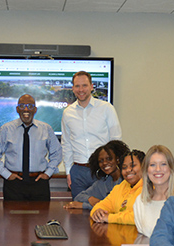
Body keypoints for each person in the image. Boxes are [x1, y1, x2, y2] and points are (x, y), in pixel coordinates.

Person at [0, 94, 62, 201]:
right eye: (22, 106)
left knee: (41, 217)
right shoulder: (6, 129)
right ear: (17, 109)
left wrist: (48, 173)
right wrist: (6, 174)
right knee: (12, 217)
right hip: (13, 184)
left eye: (30, 106)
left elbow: (57, 153)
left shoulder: (46, 129)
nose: (26, 109)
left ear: (35, 110)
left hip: (39, 183)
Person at [61, 71, 122, 199]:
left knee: (104, 211)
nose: (81, 89)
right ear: (72, 88)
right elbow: (66, 144)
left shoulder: (106, 108)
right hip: (78, 172)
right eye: (77, 86)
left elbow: (116, 140)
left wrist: (115, 170)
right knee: (78, 210)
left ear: (91, 86)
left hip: (102, 170)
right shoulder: (67, 113)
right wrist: (68, 172)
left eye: (84, 85)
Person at [133, 145, 174, 237]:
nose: (158, 169)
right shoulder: (140, 202)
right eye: (152, 165)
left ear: (171, 168)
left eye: (163, 164)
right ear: (146, 170)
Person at [64, 140, 128, 211]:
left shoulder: (126, 181)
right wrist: (90, 199)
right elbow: (78, 197)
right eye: (101, 161)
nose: (104, 163)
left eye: (109, 159)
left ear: (118, 159)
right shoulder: (103, 182)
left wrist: (84, 205)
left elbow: (115, 208)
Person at [90, 149, 145, 225]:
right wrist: (98, 212)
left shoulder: (150, 188)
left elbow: (139, 217)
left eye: (132, 166)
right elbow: (102, 205)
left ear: (144, 167)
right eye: (124, 167)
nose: (128, 170)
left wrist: (109, 218)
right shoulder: (120, 187)